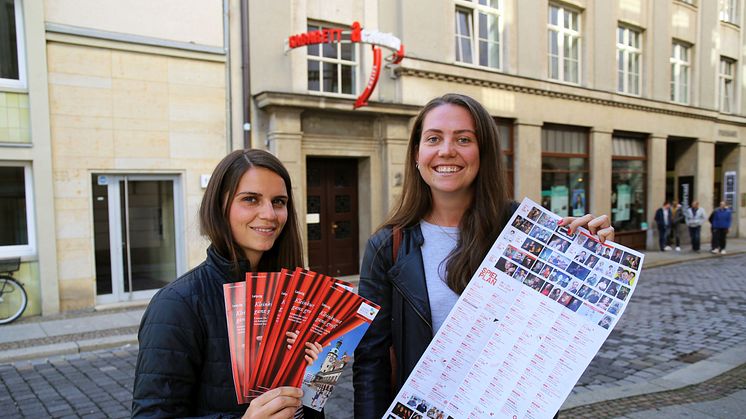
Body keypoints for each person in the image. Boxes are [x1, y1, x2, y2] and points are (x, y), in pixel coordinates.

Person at [352, 93, 615, 418]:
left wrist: (593, 257)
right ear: (417, 154)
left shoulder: (527, 230)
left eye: (463, 139)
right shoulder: (386, 246)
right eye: (434, 138)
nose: (446, 150)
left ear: (483, 153)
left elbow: (565, 333)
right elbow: (371, 361)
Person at [132, 150, 324, 418]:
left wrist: (322, 370)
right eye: (250, 199)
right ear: (219, 207)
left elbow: (306, 403)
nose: (269, 213)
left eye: (278, 201)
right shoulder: (178, 303)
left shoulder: (296, 294)